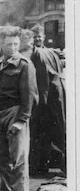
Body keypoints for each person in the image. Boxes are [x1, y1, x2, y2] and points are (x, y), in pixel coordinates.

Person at [0, 27, 38, 191]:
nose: (13, 47)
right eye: (9, 44)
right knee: (1, 157)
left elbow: (30, 95)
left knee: (18, 157)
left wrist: (21, 120)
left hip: (15, 113)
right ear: (1, 44)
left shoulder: (24, 64)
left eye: (16, 44)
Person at [28, 24, 66, 175]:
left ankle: (40, 165)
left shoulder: (39, 54)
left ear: (43, 37)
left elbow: (42, 81)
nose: (37, 39)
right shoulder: (52, 52)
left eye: (39, 36)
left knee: (42, 132)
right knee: (53, 131)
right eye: (35, 36)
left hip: (47, 99)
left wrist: (40, 104)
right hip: (56, 96)